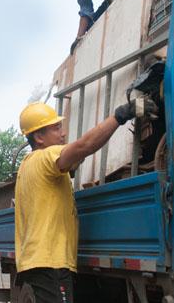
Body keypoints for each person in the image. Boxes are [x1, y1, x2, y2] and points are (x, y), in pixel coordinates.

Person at [14, 100, 156, 303]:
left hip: (40, 261)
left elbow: (77, 155)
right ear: (39, 137)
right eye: (56, 128)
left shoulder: (29, 165)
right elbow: (84, 146)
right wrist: (121, 115)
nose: (62, 134)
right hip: (49, 262)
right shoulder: (46, 157)